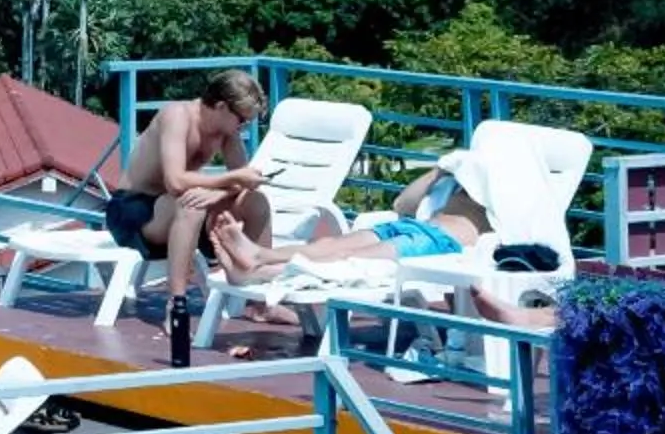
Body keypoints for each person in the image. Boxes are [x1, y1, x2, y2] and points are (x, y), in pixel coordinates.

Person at [105, 69, 271, 303]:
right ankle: (176, 305)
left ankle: (261, 302)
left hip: (180, 208)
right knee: (191, 205)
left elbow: (242, 182)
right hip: (135, 209)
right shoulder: (178, 116)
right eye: (242, 120)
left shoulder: (227, 131)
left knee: (256, 202)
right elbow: (175, 182)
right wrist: (226, 183)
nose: (244, 127)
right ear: (222, 107)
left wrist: (219, 194)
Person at [209, 162, 488, 282]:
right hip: (412, 226)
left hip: (439, 242)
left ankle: (255, 270)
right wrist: (440, 171)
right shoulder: (461, 179)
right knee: (328, 244)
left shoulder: (503, 193)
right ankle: (258, 256)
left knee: (349, 258)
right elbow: (402, 205)